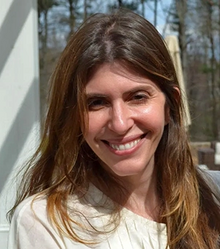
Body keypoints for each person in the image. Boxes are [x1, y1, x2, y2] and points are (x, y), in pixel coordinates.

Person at [7, 9, 220, 249]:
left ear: (170, 105)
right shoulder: (44, 222)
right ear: (74, 115)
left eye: (138, 97)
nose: (119, 123)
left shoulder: (211, 195)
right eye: (97, 102)